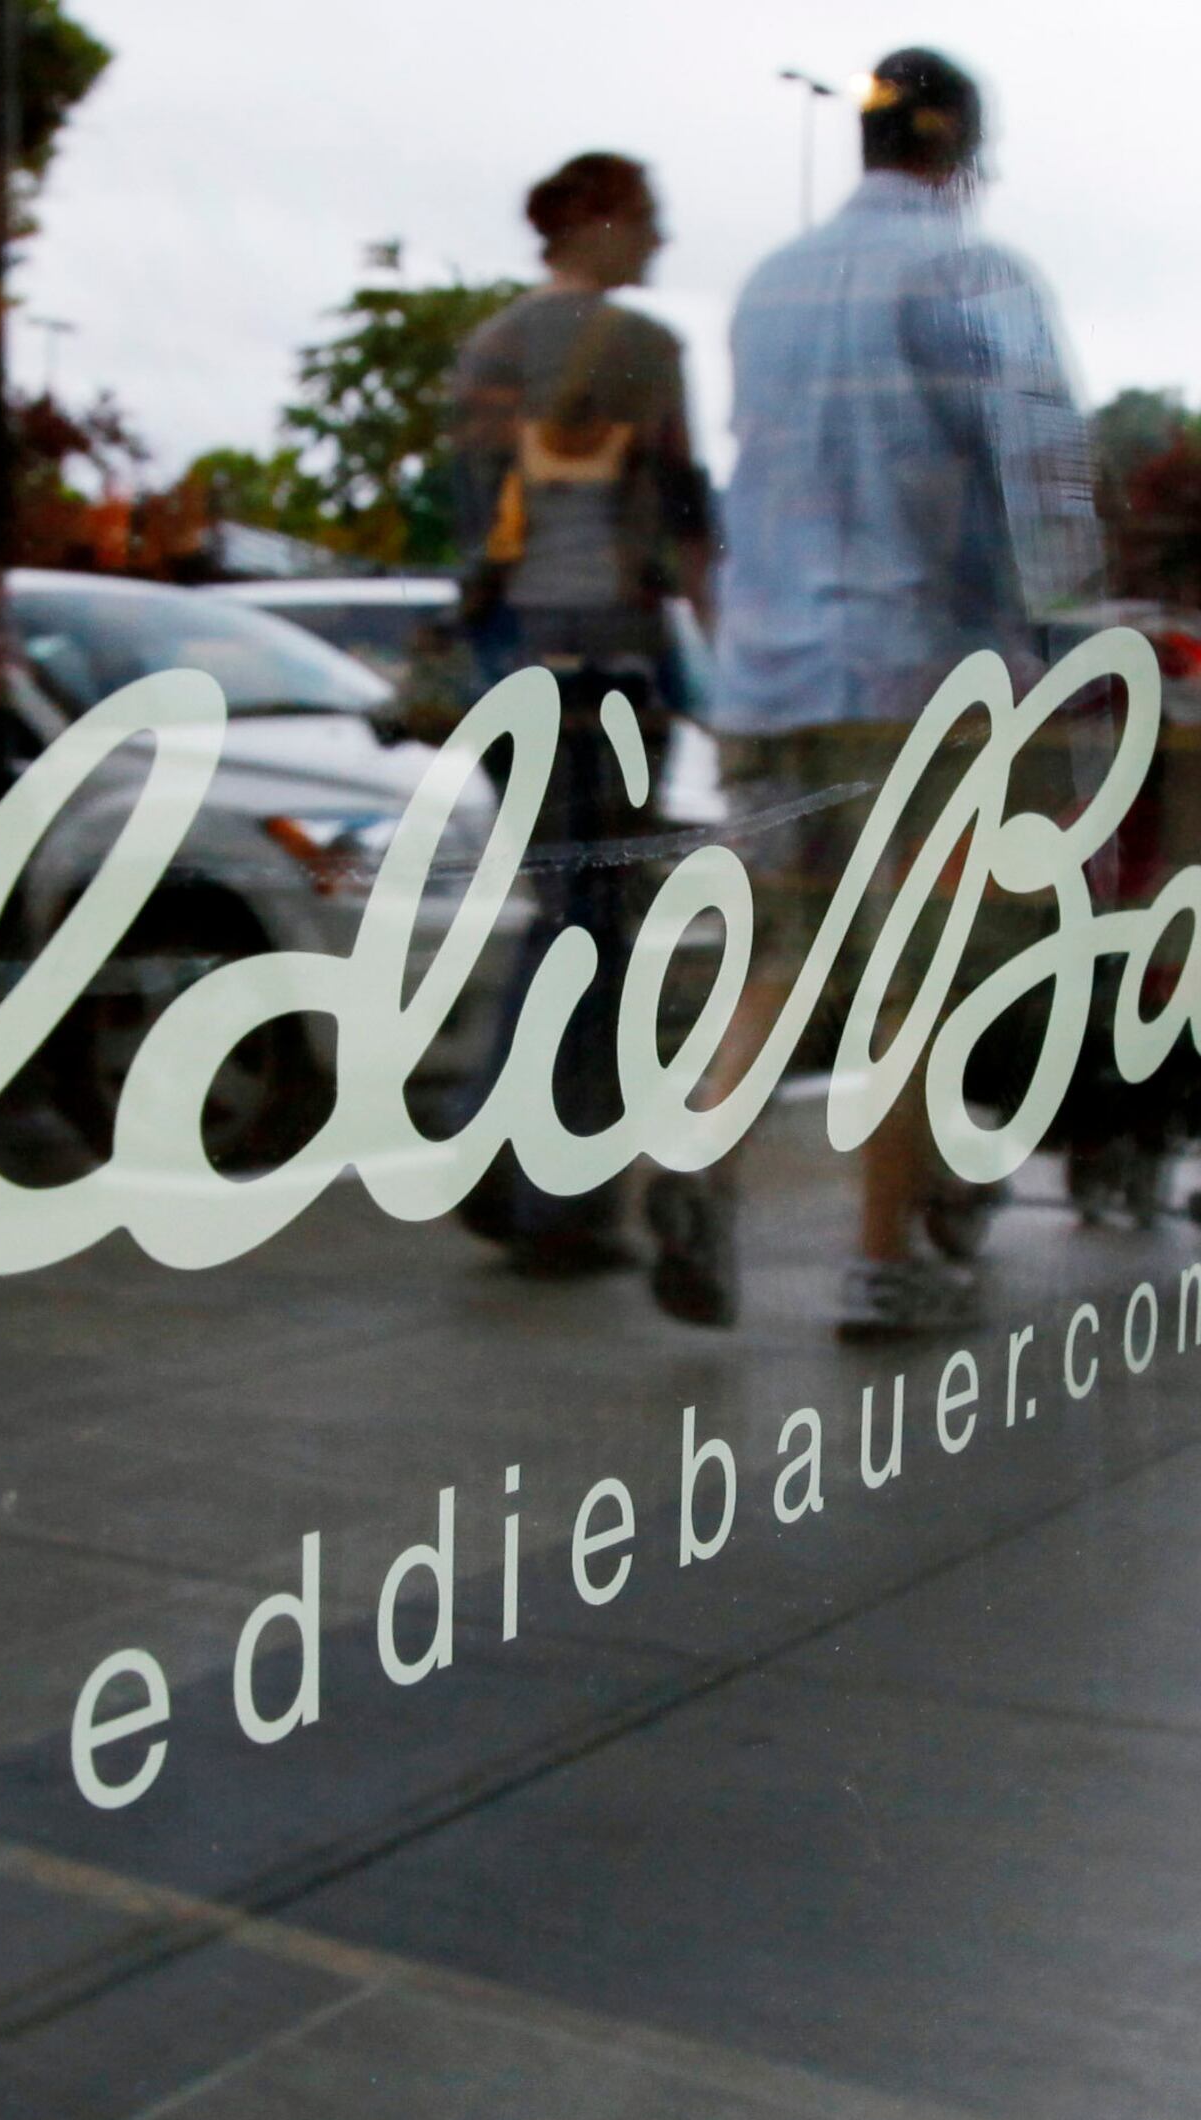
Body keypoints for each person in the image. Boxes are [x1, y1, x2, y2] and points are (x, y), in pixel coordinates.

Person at [710, 48, 1102, 1341]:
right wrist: (1071, 649)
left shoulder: (769, 284)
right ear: (963, 156)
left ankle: (700, 1169)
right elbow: (1042, 484)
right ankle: (883, 1263)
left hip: (766, 678)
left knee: (779, 951)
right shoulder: (975, 274)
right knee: (913, 978)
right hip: (922, 681)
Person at [444, 152, 733, 1324]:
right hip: (609, 673)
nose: (659, 241)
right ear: (597, 222)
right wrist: (730, 663)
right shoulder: (642, 346)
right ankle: (550, 1193)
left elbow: (474, 520)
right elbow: (687, 515)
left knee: (563, 911)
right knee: (598, 932)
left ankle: (499, 1163)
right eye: (648, 220)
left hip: (505, 672)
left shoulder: (486, 349)